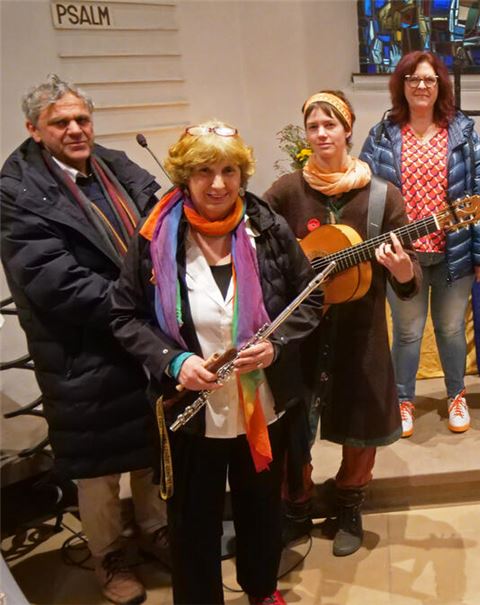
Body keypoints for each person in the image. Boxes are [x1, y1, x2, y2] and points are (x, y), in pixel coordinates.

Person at [109, 121, 321, 605]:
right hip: (189, 407)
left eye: (229, 170)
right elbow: (123, 315)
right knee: (192, 520)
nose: (219, 183)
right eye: (204, 171)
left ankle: (262, 589)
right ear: (185, 176)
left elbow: (309, 299)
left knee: (262, 511)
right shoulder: (155, 237)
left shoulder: (267, 227)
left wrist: (277, 345)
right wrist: (173, 360)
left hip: (262, 405)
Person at [0, 74, 165, 605]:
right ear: (34, 128)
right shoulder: (17, 189)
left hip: (143, 333)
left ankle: (156, 530)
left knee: (151, 446)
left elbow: (163, 220)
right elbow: (54, 279)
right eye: (60, 122)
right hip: (81, 349)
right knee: (98, 469)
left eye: (82, 119)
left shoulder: (117, 165)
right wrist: (138, 308)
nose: (75, 129)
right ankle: (108, 555)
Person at [264, 90, 420, 557]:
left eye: (330, 125)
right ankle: (296, 507)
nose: (321, 134)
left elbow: (406, 282)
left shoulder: (381, 196)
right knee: (294, 426)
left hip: (361, 331)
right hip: (300, 334)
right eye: (313, 126)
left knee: (361, 422)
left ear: (348, 130)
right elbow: (263, 253)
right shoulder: (286, 191)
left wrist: (402, 270)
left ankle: (349, 504)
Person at [360, 50, 480, 438]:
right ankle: (402, 400)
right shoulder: (382, 135)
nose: (421, 86)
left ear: (441, 87)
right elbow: (365, 194)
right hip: (404, 259)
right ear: (401, 85)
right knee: (407, 333)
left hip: (454, 254)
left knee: (452, 329)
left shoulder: (464, 134)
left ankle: (456, 395)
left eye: (430, 80)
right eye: (413, 79)